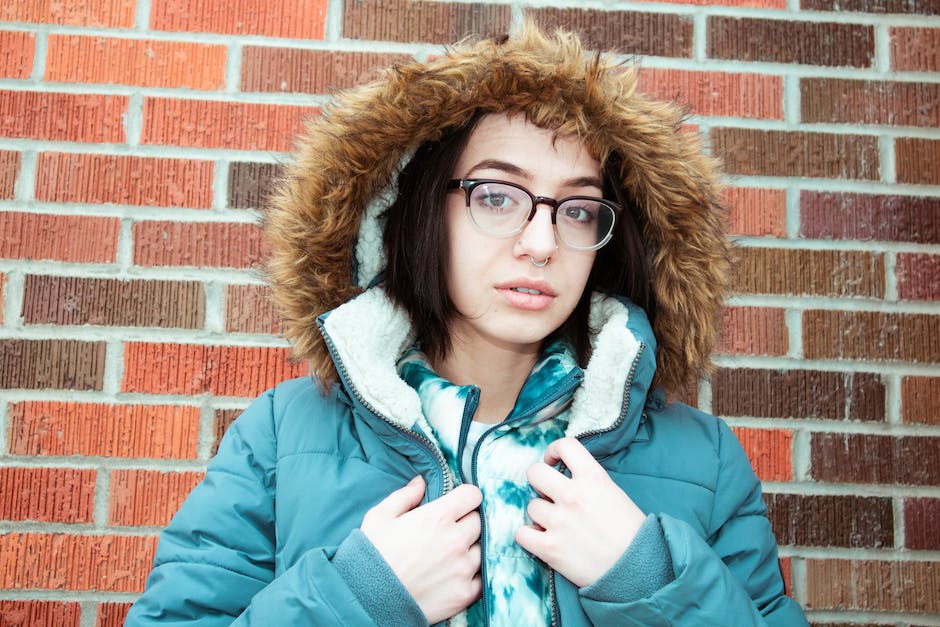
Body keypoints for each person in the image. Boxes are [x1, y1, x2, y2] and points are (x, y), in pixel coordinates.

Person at [126, 23, 809, 626]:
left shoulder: (704, 458)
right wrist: (359, 597)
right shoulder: (281, 438)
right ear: (424, 211)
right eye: (497, 195)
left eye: (576, 210)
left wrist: (650, 581)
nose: (542, 242)